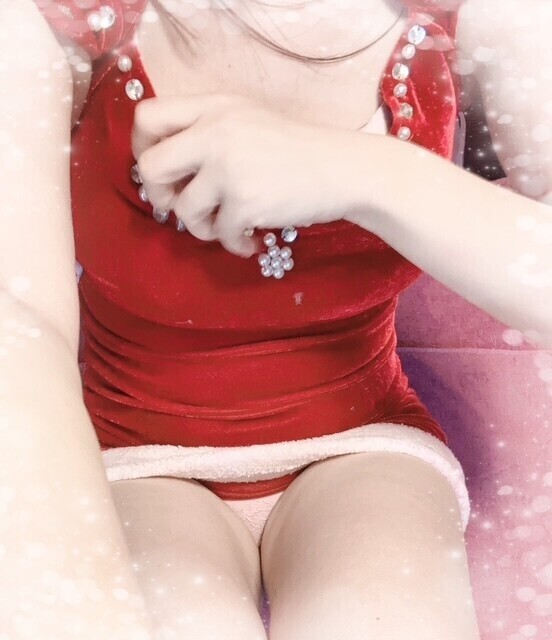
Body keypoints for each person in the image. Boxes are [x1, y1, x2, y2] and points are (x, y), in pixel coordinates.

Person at [0, 0, 550, 638]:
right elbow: (21, 323)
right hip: (134, 456)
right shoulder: (54, 23)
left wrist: (371, 174)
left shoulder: (488, 14)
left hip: (362, 445)